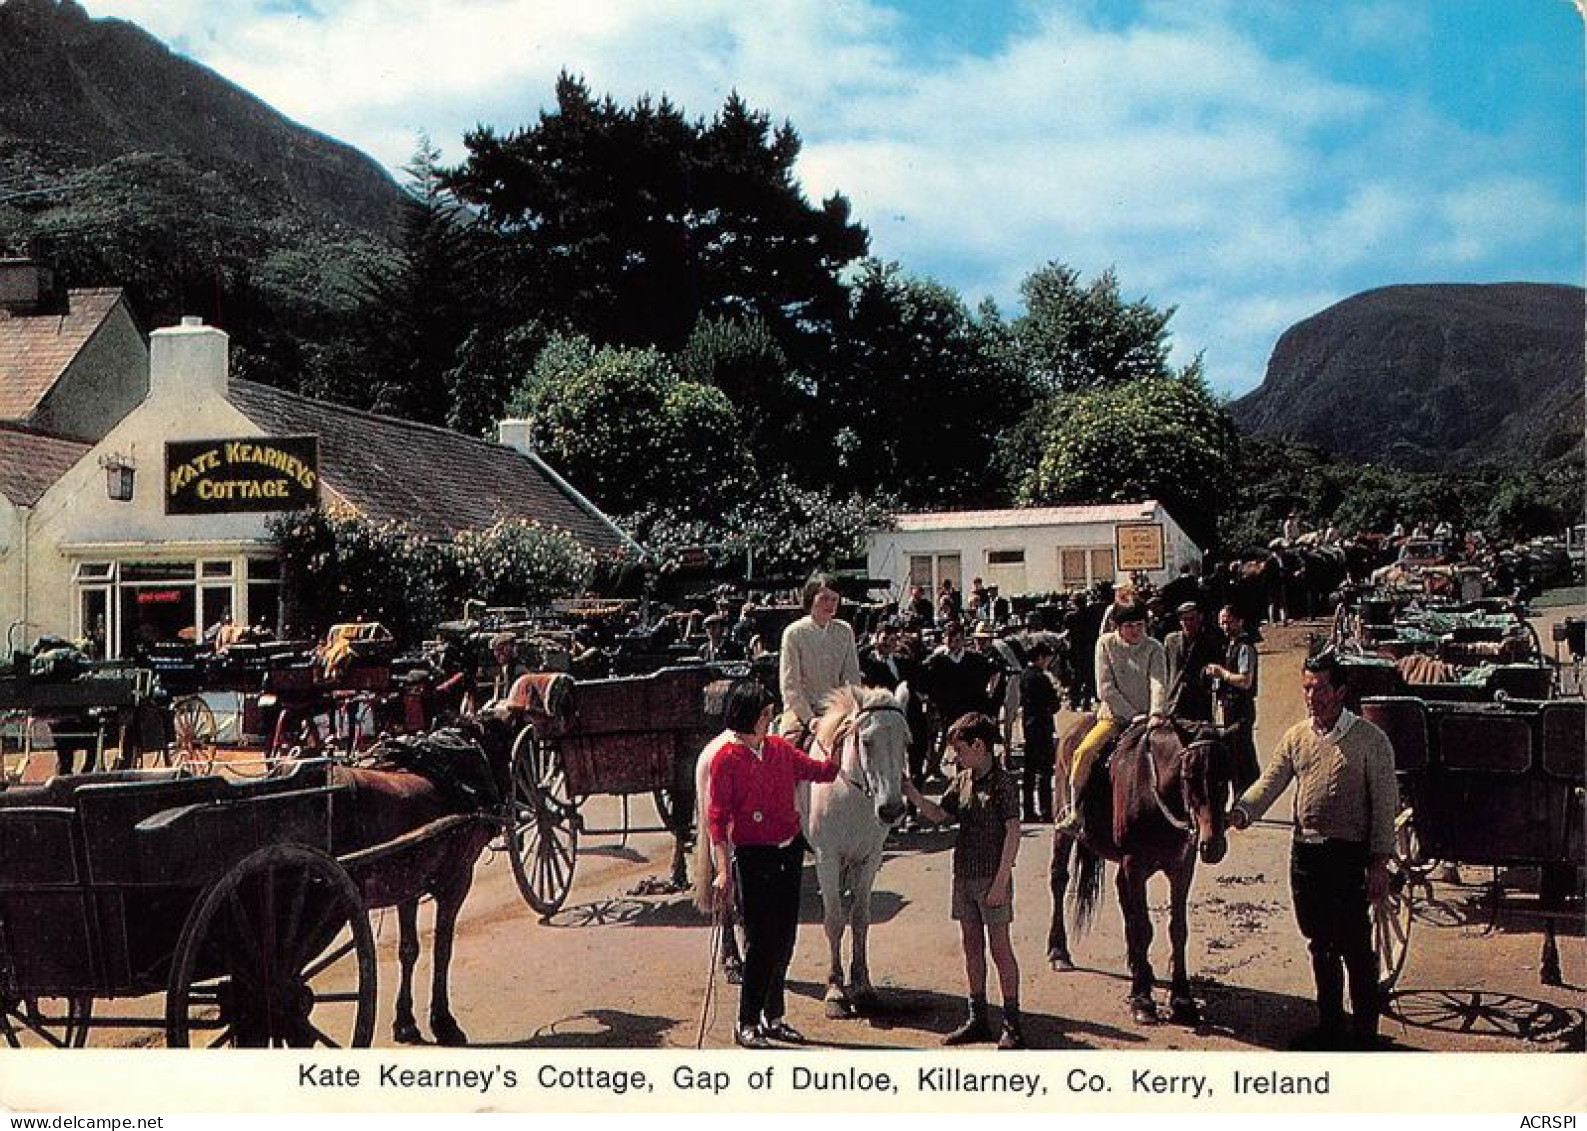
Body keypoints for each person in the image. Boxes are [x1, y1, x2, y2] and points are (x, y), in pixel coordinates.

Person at [1228, 654, 1397, 1050]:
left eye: (1319, 688)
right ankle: (1331, 1027)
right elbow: (1270, 783)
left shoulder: (1371, 741)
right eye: (1306, 687)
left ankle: (1365, 1034)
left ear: (1340, 692)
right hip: (1306, 856)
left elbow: (1385, 805)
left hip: (1349, 857)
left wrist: (1378, 862)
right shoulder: (1296, 737)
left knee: (1355, 945)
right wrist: (1241, 812)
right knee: (1319, 943)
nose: (1311, 696)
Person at [706, 680, 840, 1048]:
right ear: (750, 716)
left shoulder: (779, 748)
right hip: (754, 856)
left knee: (785, 941)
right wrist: (721, 871)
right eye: (767, 714)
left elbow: (822, 772)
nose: (772, 719)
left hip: (789, 852)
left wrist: (840, 740)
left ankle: (774, 1016)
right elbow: (717, 820)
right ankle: (746, 1021)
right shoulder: (726, 759)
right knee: (761, 943)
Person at [903, 713, 1025, 1049]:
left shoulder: (1004, 783)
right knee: (972, 946)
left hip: (991, 878)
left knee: (1000, 949)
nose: (955, 757)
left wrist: (1001, 881)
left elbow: (1013, 833)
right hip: (965, 876)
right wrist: (912, 795)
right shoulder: (962, 781)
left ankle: (1012, 1023)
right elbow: (942, 816)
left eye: (960, 750)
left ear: (979, 745)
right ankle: (978, 1017)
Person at [1055, 603, 1168, 841]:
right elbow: (1105, 688)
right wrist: (1130, 714)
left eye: (1140, 625)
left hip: (1150, 718)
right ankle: (1075, 812)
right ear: (1117, 627)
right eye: (1129, 626)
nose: (1136, 631)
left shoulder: (1154, 647)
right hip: (1114, 718)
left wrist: (1156, 712)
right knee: (1083, 753)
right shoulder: (1105, 644)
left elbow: (1158, 681)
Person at [778, 575, 861, 743]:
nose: (830, 604)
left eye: (834, 599)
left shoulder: (845, 632)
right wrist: (810, 719)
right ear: (810, 599)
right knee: (788, 745)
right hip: (801, 713)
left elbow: (852, 678)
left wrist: (852, 709)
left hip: (836, 711)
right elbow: (790, 686)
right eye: (824, 599)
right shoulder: (794, 633)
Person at [921, 621, 997, 779]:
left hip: (969, 712)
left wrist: (989, 695)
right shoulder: (935, 662)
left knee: (969, 748)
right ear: (944, 639)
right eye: (949, 640)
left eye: (957, 640)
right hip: (946, 712)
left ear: (963, 640)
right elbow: (923, 684)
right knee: (941, 746)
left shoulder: (975, 660)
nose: (953, 644)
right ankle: (933, 770)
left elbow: (994, 672)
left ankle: (968, 778)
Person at [1207, 605, 1261, 793]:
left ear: (1240, 621)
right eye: (1222, 622)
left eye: (1229, 622)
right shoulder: (1229, 645)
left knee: (1240, 754)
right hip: (1228, 706)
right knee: (1233, 753)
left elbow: (1245, 681)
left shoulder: (1245, 647)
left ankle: (1247, 797)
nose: (1225, 626)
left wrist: (1222, 674)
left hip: (1241, 708)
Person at [1017, 640, 1061, 822]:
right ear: (1041, 658)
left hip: (1029, 724)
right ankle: (1045, 809)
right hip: (1042, 725)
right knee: (1044, 770)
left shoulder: (1024, 675)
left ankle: (1028, 810)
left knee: (1029, 771)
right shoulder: (1041, 678)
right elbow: (1054, 704)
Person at [1163, 601, 1226, 723]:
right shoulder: (1171, 640)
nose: (1188, 623)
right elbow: (1164, 669)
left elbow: (1220, 667)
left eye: (1192, 619)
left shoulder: (1210, 641)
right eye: (1184, 619)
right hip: (1174, 700)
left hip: (1200, 701)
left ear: (1200, 618)